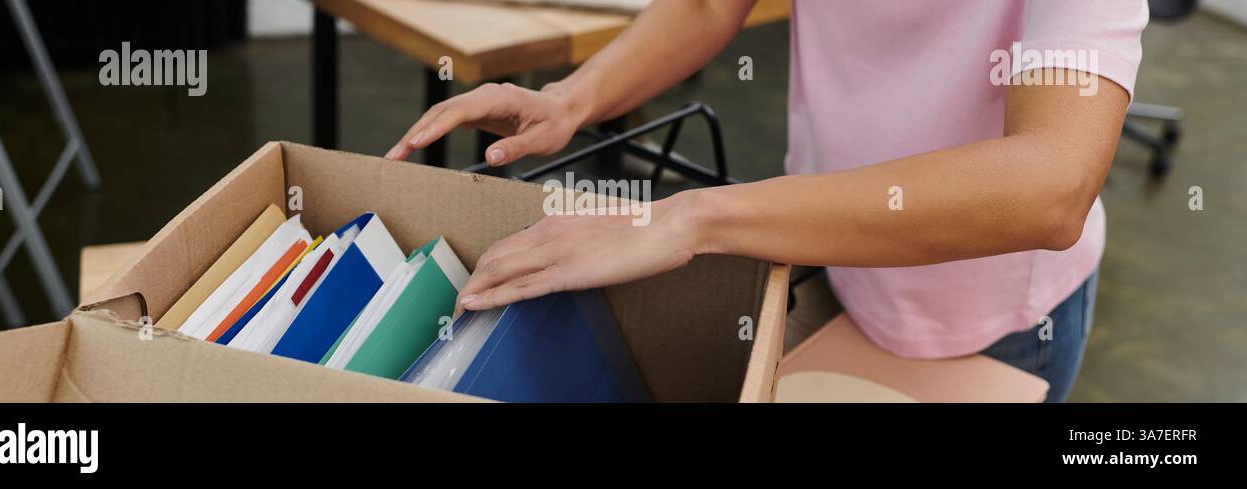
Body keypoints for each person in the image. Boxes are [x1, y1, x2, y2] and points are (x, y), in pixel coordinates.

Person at [384, 0, 1147, 402]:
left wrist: (695, 218)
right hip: (829, 249)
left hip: (986, 309)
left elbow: (1049, 183)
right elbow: (712, 4)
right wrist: (571, 98)